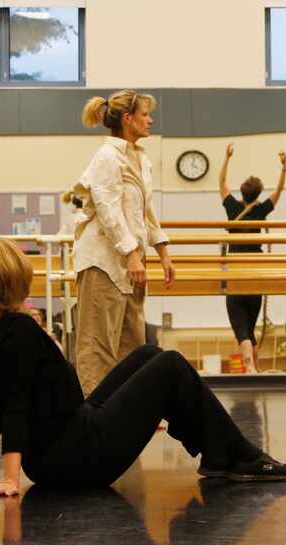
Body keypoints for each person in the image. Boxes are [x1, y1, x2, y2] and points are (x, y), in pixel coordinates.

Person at [0, 239, 286, 496]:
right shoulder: (19, 329)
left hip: (61, 450)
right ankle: (243, 457)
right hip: (79, 458)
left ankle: (218, 455)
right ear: (9, 284)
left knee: (148, 354)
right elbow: (15, 404)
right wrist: (9, 479)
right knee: (169, 364)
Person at [72, 90, 176, 395]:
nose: (150, 119)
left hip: (131, 262)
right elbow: (108, 209)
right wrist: (131, 255)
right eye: (144, 114)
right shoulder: (107, 157)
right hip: (103, 263)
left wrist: (163, 252)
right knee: (97, 343)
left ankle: (130, 411)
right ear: (128, 119)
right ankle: (93, 412)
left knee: (132, 342)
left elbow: (145, 210)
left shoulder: (140, 159)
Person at [219, 143, 286, 372]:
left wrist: (227, 159)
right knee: (250, 327)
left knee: (241, 328)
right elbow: (278, 194)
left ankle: (249, 366)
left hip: (237, 270)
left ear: (242, 191)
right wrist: (284, 169)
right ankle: (255, 366)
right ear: (258, 194)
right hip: (256, 270)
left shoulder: (231, 208)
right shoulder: (260, 211)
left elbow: (221, 183)